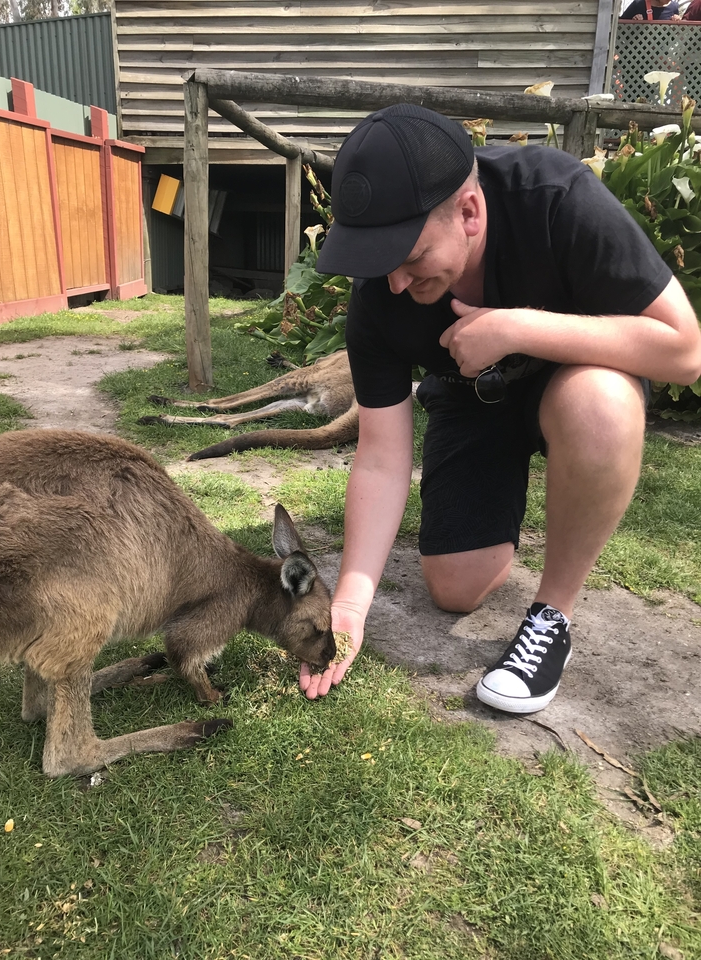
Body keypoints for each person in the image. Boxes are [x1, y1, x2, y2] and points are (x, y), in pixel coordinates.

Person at [298, 103, 701, 714]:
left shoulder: (557, 197)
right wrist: (352, 601)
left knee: (599, 406)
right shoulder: (380, 293)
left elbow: (684, 350)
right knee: (456, 587)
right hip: (469, 399)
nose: (397, 285)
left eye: (410, 258)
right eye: (382, 263)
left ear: (470, 212)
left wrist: (518, 328)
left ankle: (552, 616)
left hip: (575, 379)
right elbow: (381, 457)